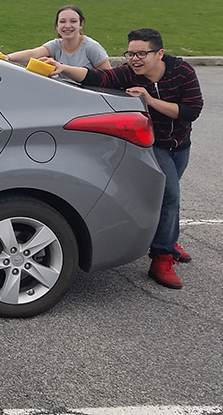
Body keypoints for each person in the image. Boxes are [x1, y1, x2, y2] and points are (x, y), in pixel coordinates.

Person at [40, 28, 203, 290]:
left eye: (142, 54)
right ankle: (162, 257)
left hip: (181, 145)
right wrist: (62, 68)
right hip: (155, 146)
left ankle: (167, 240)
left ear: (159, 53)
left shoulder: (182, 72)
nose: (134, 59)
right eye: (130, 53)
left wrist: (149, 99)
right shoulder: (128, 72)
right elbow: (97, 77)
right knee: (170, 194)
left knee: (166, 198)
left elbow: (190, 111)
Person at [0, 5, 111, 70]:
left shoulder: (92, 47)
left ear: (81, 24)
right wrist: (7, 57)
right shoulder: (56, 45)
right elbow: (33, 53)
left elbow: (109, 76)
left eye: (73, 21)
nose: (67, 26)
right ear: (57, 25)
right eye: (62, 22)